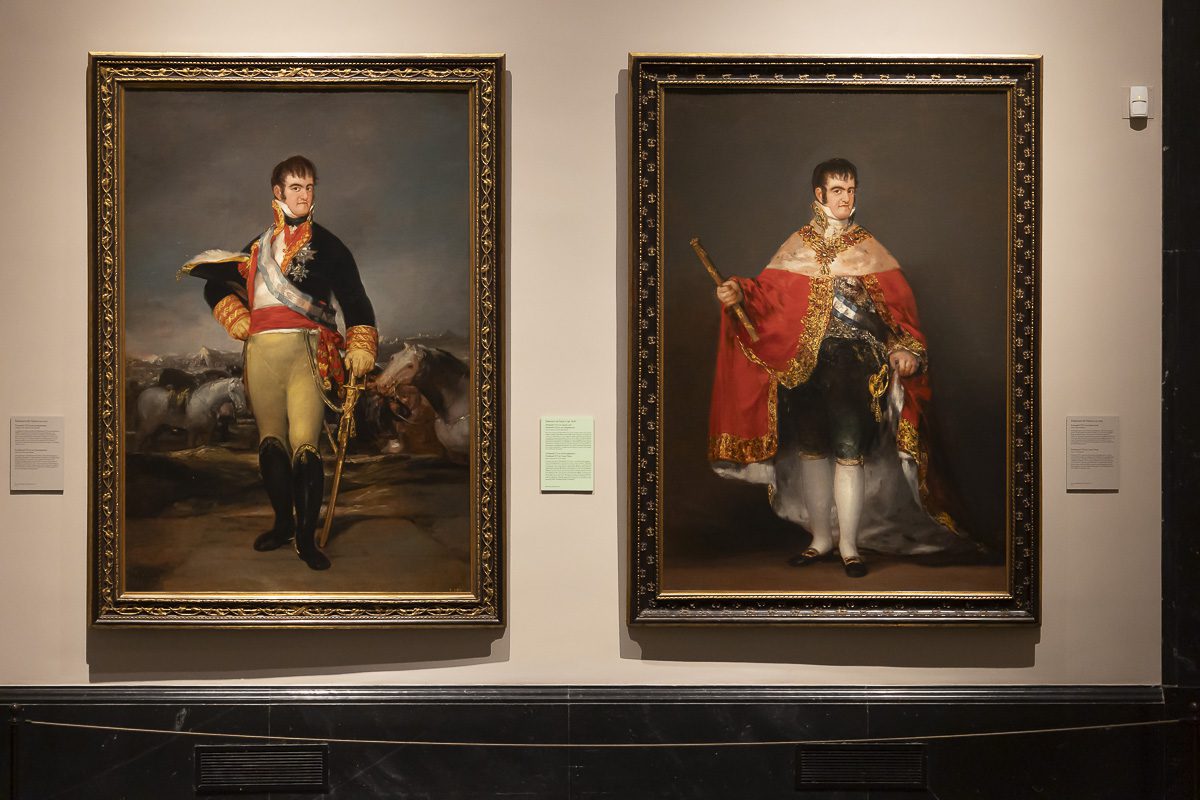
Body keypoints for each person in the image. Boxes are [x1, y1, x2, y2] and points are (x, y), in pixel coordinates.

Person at [708, 158, 969, 577]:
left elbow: (898, 314)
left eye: (850, 190)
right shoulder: (797, 245)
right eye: (837, 191)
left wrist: (904, 348)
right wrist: (737, 291)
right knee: (812, 450)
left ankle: (849, 546)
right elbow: (766, 296)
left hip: (856, 365)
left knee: (849, 453)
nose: (846, 198)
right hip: (804, 367)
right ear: (819, 195)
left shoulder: (870, 249)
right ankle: (820, 540)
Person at [178, 155, 378, 570]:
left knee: (305, 444)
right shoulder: (257, 246)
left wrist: (360, 344)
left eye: (309, 187)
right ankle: (283, 525)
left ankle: (306, 539)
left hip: (307, 352)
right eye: (296, 188)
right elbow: (215, 285)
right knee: (270, 443)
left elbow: (355, 299)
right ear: (278, 192)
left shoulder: (330, 246)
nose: (304, 195)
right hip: (261, 354)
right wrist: (236, 317)